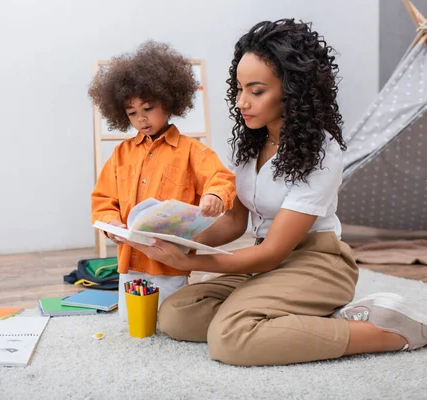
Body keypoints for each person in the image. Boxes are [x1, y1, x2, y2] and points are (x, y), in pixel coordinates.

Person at [118, 19, 427, 365]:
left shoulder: (321, 152)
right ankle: (295, 319)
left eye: (256, 91)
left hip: (317, 263)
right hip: (265, 262)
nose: (242, 103)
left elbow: (275, 251)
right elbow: (235, 223)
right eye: (238, 89)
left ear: (292, 90)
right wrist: (177, 240)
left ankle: (382, 331)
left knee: (230, 339)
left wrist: (193, 262)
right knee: (177, 314)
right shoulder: (253, 143)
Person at [88, 41, 236, 320]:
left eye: (148, 108)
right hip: (129, 261)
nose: (141, 118)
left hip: (170, 261)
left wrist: (215, 196)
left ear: (168, 102)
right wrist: (110, 224)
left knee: (169, 320)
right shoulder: (121, 154)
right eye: (132, 113)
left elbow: (221, 178)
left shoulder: (193, 150)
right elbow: (103, 200)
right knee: (130, 321)